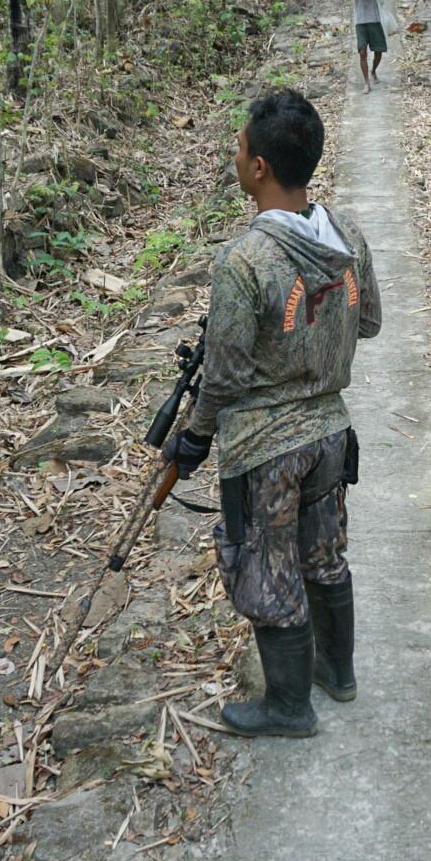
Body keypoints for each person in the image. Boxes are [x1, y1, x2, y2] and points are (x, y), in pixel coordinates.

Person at [163, 89, 382, 738]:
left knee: (267, 566)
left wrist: (193, 437)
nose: (235, 157)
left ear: (258, 166)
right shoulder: (348, 234)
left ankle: (288, 707)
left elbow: (226, 374)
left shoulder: (241, 261)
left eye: (238, 148)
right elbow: (367, 321)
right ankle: (336, 674)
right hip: (332, 435)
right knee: (324, 554)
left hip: (266, 447)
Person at [346, 0, 388, 92]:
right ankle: (366, 83)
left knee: (378, 51)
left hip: (375, 20)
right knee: (362, 52)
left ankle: (373, 70)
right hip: (360, 23)